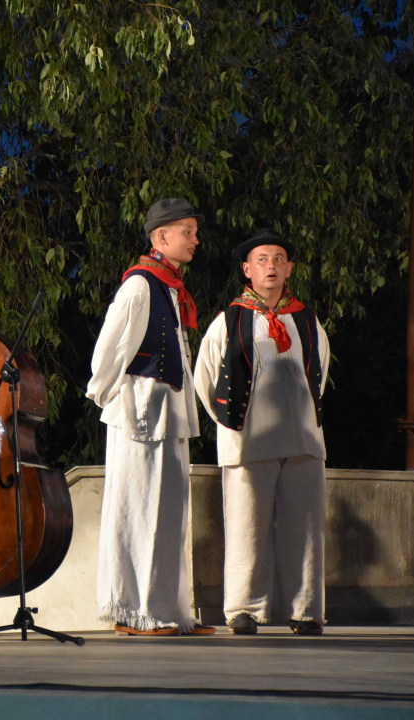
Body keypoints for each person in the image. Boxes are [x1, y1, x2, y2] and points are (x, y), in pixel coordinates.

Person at [86, 197, 214, 636]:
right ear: (162, 236)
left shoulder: (168, 285)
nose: (195, 240)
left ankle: (170, 610)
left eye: (195, 232)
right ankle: (134, 611)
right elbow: (110, 349)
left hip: (168, 412)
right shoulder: (140, 285)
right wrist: (109, 398)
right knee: (138, 511)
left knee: (170, 515)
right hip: (141, 414)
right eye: (187, 232)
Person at [194, 229, 329, 636]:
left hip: (303, 439)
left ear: (289, 269)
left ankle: (305, 610)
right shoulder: (230, 319)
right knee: (246, 527)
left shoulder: (306, 319)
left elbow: (320, 372)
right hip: (248, 440)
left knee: (305, 528)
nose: (271, 266)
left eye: (278, 260)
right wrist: (231, 423)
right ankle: (243, 609)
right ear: (247, 270)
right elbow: (206, 378)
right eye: (262, 260)